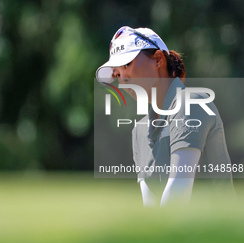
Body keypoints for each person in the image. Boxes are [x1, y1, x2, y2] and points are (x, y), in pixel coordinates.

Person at [96, 26, 235, 206]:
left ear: (158, 60)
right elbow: (152, 211)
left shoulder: (192, 103)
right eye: (117, 73)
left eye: (127, 64)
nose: (122, 78)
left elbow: (177, 195)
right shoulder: (139, 130)